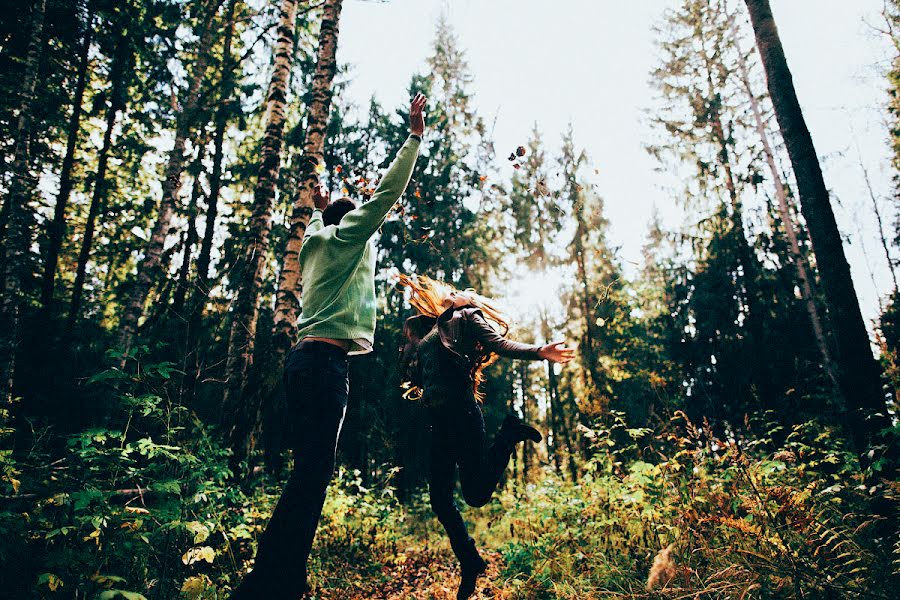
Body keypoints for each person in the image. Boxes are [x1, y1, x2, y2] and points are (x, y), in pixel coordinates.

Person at [231, 93, 427, 599]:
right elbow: (385, 195)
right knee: (311, 477)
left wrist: (319, 210)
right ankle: (266, 581)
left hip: (303, 362)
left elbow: (320, 222)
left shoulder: (316, 245)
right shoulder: (346, 239)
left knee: (308, 474)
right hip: (323, 367)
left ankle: (284, 580)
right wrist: (413, 136)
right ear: (352, 226)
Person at [398, 275, 575, 599]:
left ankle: (507, 436)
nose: (452, 293)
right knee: (440, 500)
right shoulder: (433, 328)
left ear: (465, 300)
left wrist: (540, 351)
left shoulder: (467, 318)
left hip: (463, 415)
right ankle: (470, 560)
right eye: (450, 292)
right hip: (438, 422)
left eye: (459, 293)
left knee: (476, 496)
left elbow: (500, 345)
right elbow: (418, 370)